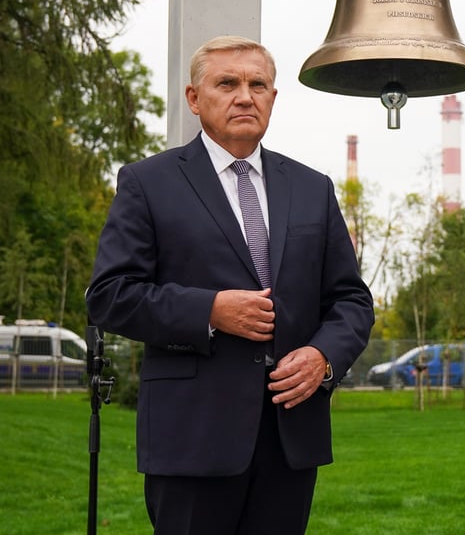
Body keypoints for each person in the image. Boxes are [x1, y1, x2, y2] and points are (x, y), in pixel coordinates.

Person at [85, 35, 374, 535]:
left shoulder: (312, 188)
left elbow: (351, 299)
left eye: (257, 84)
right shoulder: (148, 183)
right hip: (192, 437)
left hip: (291, 435)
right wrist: (209, 312)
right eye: (227, 83)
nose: (245, 95)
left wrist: (323, 357)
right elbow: (110, 294)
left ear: (273, 99)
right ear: (195, 99)